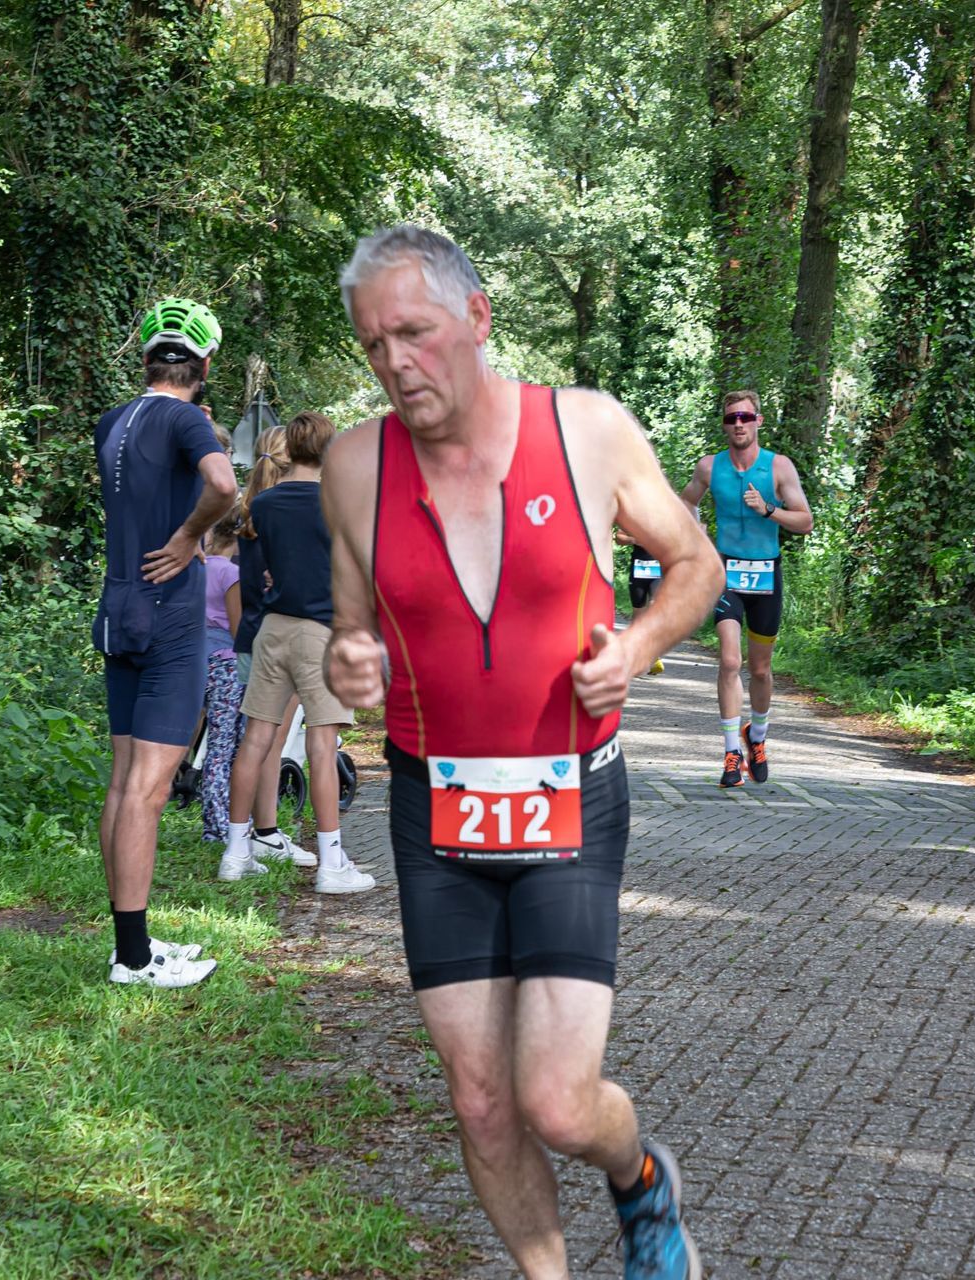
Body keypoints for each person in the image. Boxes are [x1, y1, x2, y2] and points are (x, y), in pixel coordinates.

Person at [322, 225, 722, 1280]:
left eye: (415, 331)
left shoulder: (586, 430)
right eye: (374, 345)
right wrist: (351, 662)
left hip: (569, 801)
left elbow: (697, 562)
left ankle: (640, 1179)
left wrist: (635, 646)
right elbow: (354, 629)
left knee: (555, 1098)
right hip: (434, 807)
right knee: (482, 1100)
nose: (397, 362)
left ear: (479, 317)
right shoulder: (355, 464)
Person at [94, 296, 237, 988]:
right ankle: (135, 960)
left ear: (147, 356)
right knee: (148, 792)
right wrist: (187, 540)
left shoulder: (113, 421)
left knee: (124, 785)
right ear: (205, 364)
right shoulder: (186, 419)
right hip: (171, 614)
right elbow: (222, 485)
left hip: (118, 606)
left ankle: (131, 944)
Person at [219, 411, 372, 893]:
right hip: (322, 631)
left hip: (273, 629)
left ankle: (236, 851)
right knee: (321, 747)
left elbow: (259, 575)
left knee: (256, 738)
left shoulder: (262, 505)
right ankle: (332, 863)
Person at [677, 391, 814, 788]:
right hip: (726, 573)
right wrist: (696, 532)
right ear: (724, 424)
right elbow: (686, 502)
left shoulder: (779, 467)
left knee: (760, 669)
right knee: (730, 662)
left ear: (758, 421)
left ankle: (756, 737)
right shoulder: (709, 467)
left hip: (766, 573)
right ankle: (730, 753)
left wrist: (769, 510)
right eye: (731, 418)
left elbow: (805, 521)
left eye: (745, 417)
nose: (738, 423)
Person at [231, 423, 310, 867]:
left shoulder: (251, 511)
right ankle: (263, 833)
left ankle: (259, 832)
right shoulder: (282, 512)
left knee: (260, 741)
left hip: (250, 636)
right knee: (269, 741)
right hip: (278, 635)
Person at [198, 504, 246, 844]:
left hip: (198, 659)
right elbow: (238, 627)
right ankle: (221, 823)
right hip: (228, 663)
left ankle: (212, 820)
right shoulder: (230, 573)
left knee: (212, 742)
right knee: (227, 744)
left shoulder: (197, 569)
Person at [615, 527, 668, 676]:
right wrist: (636, 540)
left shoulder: (666, 515)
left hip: (659, 569)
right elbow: (619, 537)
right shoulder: (637, 515)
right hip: (638, 569)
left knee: (654, 607)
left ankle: (652, 654)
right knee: (638, 614)